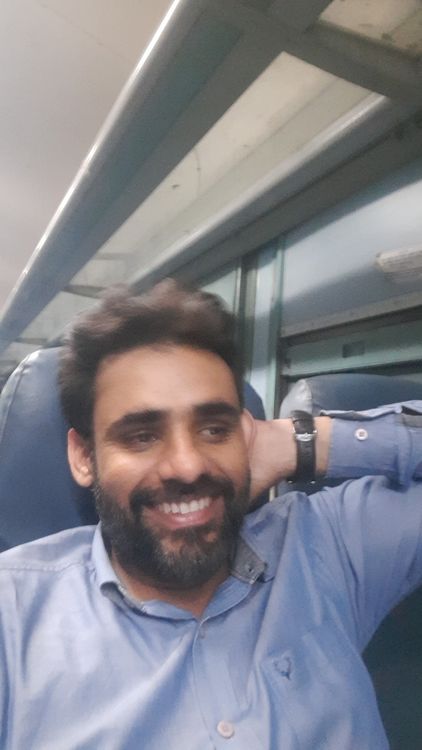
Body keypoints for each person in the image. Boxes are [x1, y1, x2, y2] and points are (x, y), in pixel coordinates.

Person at [0, 280, 421, 750]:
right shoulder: (12, 616)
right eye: (141, 436)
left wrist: (301, 443)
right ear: (83, 456)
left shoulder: (328, 547)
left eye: (215, 429)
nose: (188, 466)